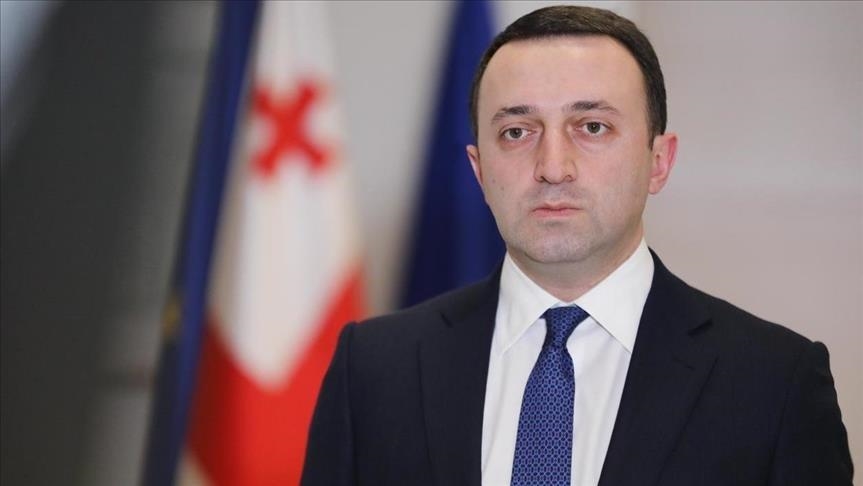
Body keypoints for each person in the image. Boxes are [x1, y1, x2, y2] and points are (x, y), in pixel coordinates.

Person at [301, 5, 853, 486]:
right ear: (479, 170)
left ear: (659, 161)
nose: (552, 167)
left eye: (591, 127)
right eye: (517, 132)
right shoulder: (373, 368)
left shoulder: (774, 383)